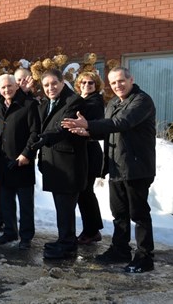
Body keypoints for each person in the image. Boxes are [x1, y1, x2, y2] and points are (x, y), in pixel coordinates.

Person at [62, 67, 156, 273]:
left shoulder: (141, 100)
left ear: (131, 79)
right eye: (113, 83)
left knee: (139, 214)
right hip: (116, 166)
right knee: (119, 213)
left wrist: (89, 124)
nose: (117, 85)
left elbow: (122, 122)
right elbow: (109, 131)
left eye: (121, 81)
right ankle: (120, 250)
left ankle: (144, 257)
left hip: (137, 167)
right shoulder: (114, 103)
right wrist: (87, 132)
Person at [31, 69, 87, 259]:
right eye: (46, 85)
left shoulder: (73, 101)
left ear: (62, 82)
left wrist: (44, 138)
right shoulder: (46, 103)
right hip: (53, 162)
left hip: (68, 164)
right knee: (62, 206)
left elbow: (63, 126)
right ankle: (65, 239)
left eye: (54, 83)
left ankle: (67, 245)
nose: (50, 88)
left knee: (65, 207)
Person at [0, 74, 40, 250]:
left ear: (16, 85)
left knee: (25, 203)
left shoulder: (29, 105)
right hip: (4, 162)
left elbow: (35, 133)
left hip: (22, 161)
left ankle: (26, 236)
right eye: (3, 87)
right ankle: (10, 231)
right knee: (6, 200)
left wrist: (27, 154)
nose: (7, 90)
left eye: (10, 86)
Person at [73, 71, 105, 245]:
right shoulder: (82, 100)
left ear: (96, 85)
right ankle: (92, 229)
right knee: (84, 193)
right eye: (83, 82)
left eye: (91, 83)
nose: (86, 85)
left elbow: (96, 128)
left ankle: (92, 231)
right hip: (82, 152)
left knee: (85, 192)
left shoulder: (94, 102)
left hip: (90, 152)